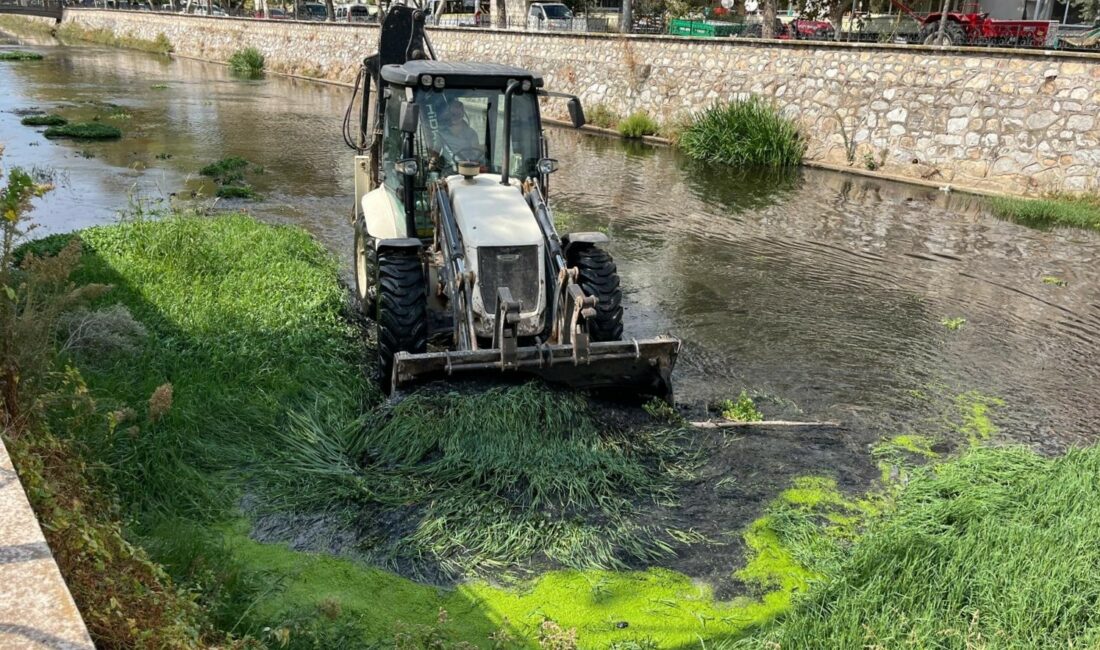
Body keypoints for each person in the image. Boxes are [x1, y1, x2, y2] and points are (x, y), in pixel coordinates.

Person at [430, 100, 484, 174]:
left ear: (462, 114)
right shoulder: (441, 133)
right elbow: (436, 151)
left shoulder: (471, 133)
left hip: (468, 169)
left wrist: (482, 149)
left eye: (458, 114)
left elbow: (476, 153)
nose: (455, 117)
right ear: (448, 115)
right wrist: (432, 161)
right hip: (449, 171)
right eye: (453, 114)